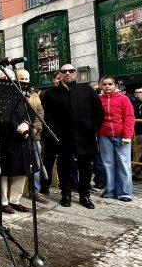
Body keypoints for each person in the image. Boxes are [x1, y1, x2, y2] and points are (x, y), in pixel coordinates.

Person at [41, 64, 104, 209]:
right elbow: (48, 117)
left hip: (85, 136)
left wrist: (92, 127)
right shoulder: (51, 93)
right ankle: (66, 195)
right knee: (64, 167)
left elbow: (99, 111)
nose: (67, 73)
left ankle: (85, 195)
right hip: (63, 137)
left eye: (71, 71)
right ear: (60, 74)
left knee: (85, 167)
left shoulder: (87, 90)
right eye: (64, 71)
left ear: (76, 74)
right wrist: (53, 135)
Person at [0, 68, 33, 214]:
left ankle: (15, 200)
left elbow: (31, 113)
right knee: (5, 172)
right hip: (7, 139)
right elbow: (2, 117)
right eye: (5, 77)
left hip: (23, 138)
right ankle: (3, 202)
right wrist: (18, 127)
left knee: (22, 170)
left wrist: (27, 124)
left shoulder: (22, 94)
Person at [98, 77, 135, 202]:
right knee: (108, 164)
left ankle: (125, 192)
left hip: (121, 135)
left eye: (110, 84)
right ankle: (110, 190)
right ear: (101, 86)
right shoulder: (99, 99)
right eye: (105, 84)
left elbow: (129, 117)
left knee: (123, 164)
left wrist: (127, 135)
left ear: (115, 85)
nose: (107, 86)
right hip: (104, 135)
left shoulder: (123, 99)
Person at [17, 69, 48, 204]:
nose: (24, 81)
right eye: (21, 78)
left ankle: (35, 191)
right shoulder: (12, 94)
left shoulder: (34, 95)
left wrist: (35, 129)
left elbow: (39, 113)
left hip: (34, 134)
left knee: (35, 163)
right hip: (17, 134)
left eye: (26, 79)